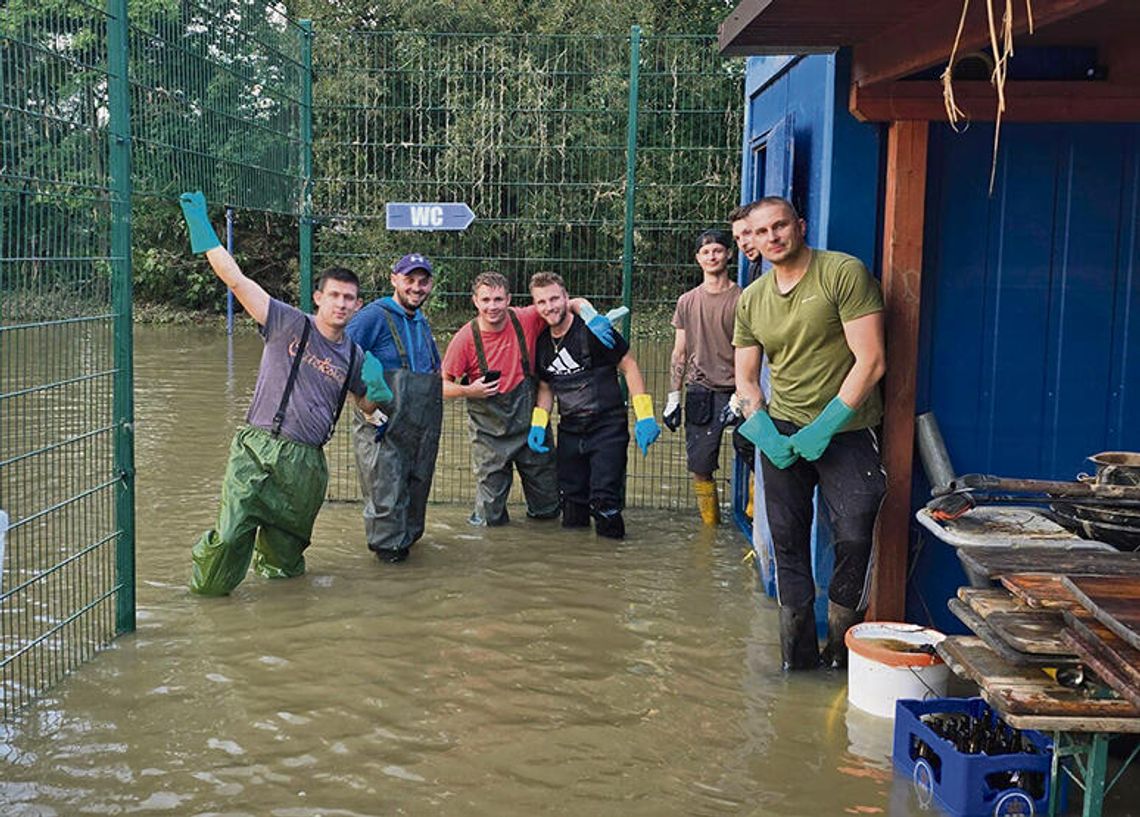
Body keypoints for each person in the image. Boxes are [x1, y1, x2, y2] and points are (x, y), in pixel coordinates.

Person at [178, 191, 392, 595]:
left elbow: (366, 407)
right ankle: (203, 606)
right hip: (258, 449)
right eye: (334, 295)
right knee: (226, 540)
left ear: (359, 305)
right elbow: (236, 279)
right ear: (319, 297)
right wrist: (203, 230)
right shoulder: (286, 323)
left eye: (349, 298)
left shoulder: (357, 355)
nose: (341, 304)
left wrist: (378, 395)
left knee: (285, 564)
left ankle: (278, 631)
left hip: (307, 464)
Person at [731, 197, 886, 671]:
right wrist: (762, 429)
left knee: (856, 535)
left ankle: (841, 655)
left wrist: (826, 425)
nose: (772, 237)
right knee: (787, 542)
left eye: (780, 226)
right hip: (783, 431)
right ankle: (795, 666)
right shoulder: (752, 299)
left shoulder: (842, 273)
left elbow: (872, 360)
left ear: (799, 226)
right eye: (760, 232)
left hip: (848, 429)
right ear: (751, 243)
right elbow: (746, 380)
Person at [441, 272, 624, 527]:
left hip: (531, 430)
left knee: (549, 509)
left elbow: (568, 303)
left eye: (498, 299)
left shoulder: (527, 318)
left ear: (509, 299)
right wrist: (469, 391)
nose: (492, 306)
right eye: (485, 300)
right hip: (489, 437)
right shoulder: (465, 339)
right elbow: (442, 387)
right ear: (475, 301)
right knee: (488, 517)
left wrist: (590, 314)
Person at [527, 272, 660, 539]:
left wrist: (645, 416)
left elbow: (629, 366)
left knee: (605, 502)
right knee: (571, 503)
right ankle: (579, 568)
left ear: (566, 298)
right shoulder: (541, 343)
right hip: (570, 431)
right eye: (542, 302)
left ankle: (612, 566)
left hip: (607, 427)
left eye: (555, 298)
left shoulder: (594, 329)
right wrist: (538, 424)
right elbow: (545, 388)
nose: (549, 306)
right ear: (535, 305)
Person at [345, 253, 442, 564]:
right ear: (394, 279)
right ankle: (389, 576)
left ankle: (408, 568)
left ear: (430, 284)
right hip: (381, 427)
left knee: (415, 495)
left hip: (419, 428)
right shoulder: (372, 316)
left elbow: (434, 374)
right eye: (409, 280)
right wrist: (367, 409)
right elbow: (339, 360)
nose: (416, 287)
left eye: (423, 281)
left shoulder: (422, 322)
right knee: (386, 501)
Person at [662, 229, 741, 525]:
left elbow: (754, 350)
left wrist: (741, 395)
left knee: (756, 454)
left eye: (718, 250)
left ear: (729, 254)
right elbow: (679, 353)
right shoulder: (687, 301)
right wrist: (673, 397)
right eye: (706, 252)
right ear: (697, 258)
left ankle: (754, 518)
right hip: (700, 390)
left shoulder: (742, 298)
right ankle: (711, 527)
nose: (712, 256)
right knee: (700, 464)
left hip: (739, 390)